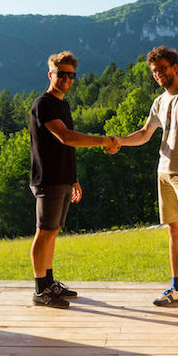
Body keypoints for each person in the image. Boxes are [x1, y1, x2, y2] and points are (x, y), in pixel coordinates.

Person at [114, 46, 178, 316]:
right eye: (154, 71)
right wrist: (119, 142)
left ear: (174, 68)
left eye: (162, 69)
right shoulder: (159, 101)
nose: (158, 74)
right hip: (164, 172)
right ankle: (177, 288)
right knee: (173, 230)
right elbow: (145, 133)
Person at [29, 51, 120, 308]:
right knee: (44, 232)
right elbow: (66, 137)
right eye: (62, 74)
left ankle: (49, 283)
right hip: (48, 179)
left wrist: (73, 178)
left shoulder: (63, 105)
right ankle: (40, 290)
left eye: (71, 75)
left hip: (62, 178)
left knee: (53, 231)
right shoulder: (44, 104)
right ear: (50, 75)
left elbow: (65, 147)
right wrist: (103, 141)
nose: (67, 79)